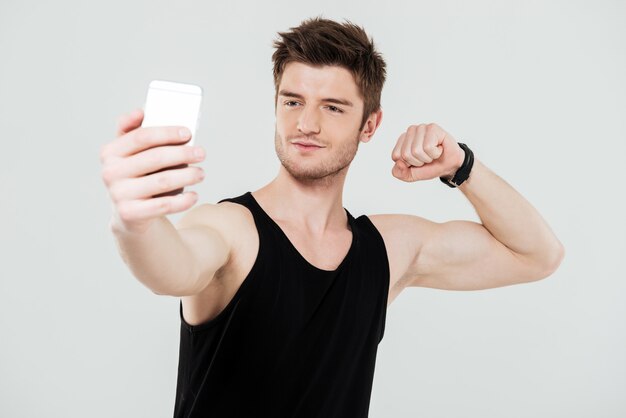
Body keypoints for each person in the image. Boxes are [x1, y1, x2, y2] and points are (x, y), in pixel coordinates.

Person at [100, 17, 564, 418]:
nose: (306, 124)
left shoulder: (389, 248)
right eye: (293, 101)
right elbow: (170, 268)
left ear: (369, 126)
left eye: (332, 107)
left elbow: (538, 255)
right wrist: (135, 221)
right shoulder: (231, 228)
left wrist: (462, 166)